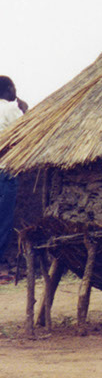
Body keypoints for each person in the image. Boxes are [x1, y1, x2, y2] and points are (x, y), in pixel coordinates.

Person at [0, 76, 26, 269]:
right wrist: (25, 111)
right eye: (14, 87)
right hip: (5, 170)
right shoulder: (10, 108)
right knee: (4, 217)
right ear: (9, 89)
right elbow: (27, 131)